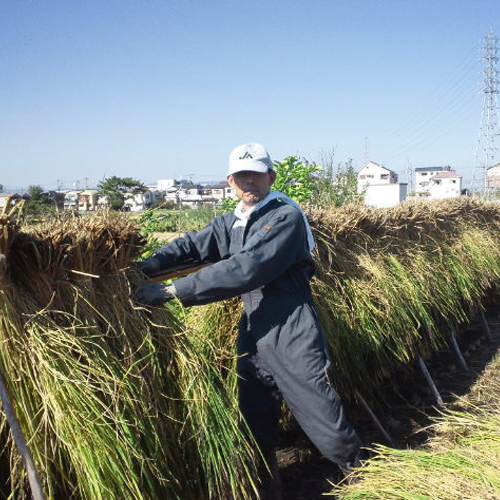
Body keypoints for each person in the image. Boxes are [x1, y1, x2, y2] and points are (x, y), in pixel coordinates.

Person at [135, 143, 365, 499]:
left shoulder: (285, 216)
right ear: (230, 181)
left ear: (270, 177)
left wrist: (172, 292)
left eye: (256, 175)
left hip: (291, 325)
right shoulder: (233, 221)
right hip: (253, 328)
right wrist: (144, 267)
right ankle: (269, 486)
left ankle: (362, 476)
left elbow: (247, 268)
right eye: (241, 176)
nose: (249, 183)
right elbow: (192, 246)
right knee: (255, 418)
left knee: (321, 416)